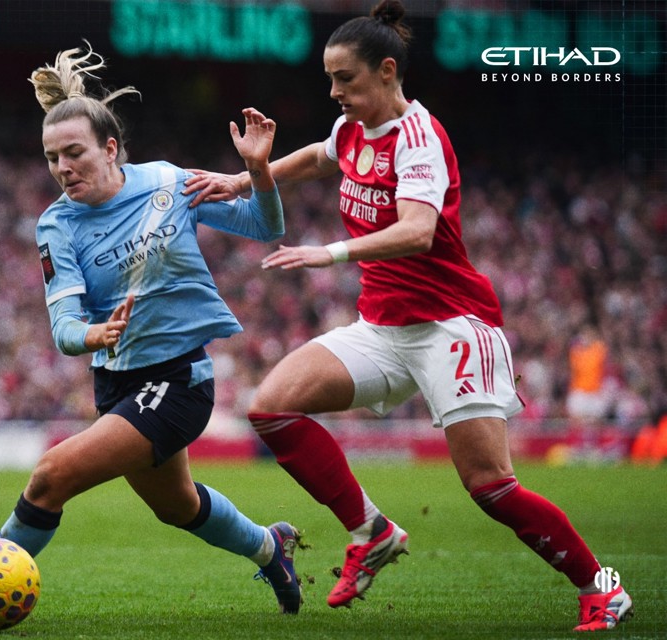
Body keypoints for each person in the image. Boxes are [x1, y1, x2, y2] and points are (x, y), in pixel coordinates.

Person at [184, 1, 632, 632]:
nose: (334, 91)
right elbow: (320, 155)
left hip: (453, 327)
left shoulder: (420, 139)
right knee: (272, 404)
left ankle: (601, 587)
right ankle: (371, 531)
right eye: (330, 80)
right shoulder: (352, 130)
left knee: (489, 486)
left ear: (387, 71)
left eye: (346, 79)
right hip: (383, 328)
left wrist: (330, 252)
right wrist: (244, 178)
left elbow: (418, 231)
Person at [0, 46, 300, 623]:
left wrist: (257, 170)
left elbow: (266, 226)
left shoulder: (168, 183)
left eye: (74, 153)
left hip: (180, 379)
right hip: (115, 381)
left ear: (110, 149)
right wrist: (94, 334)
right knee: (179, 506)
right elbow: (63, 326)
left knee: (51, 475)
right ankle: (268, 547)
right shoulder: (56, 224)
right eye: (52, 158)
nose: (63, 168)